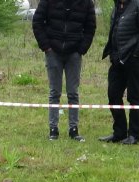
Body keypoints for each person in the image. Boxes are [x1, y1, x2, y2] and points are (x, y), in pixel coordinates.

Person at [32, 0, 96, 142]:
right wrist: (46, 47)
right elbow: (37, 22)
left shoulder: (86, 3)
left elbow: (90, 27)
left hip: (74, 53)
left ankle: (73, 130)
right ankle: (53, 129)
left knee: (73, 93)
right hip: (53, 52)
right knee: (54, 92)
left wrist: (82, 49)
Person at [98, 0, 139, 145]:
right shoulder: (117, 7)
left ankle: (134, 135)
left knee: (134, 96)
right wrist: (112, 53)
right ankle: (119, 132)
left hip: (135, 60)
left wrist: (136, 54)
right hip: (117, 59)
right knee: (113, 95)